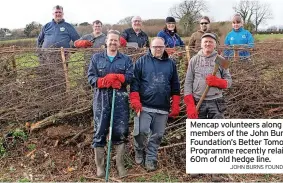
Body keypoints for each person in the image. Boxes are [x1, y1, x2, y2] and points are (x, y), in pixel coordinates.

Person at [184, 33, 232, 181]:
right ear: (201, 44)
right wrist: (190, 105)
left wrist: (219, 82)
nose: (207, 44)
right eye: (205, 42)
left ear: (215, 44)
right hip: (199, 101)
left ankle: (215, 171)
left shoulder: (222, 61)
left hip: (216, 102)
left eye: (210, 42)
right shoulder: (194, 60)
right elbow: (188, 83)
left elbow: (229, 81)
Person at [129, 37, 181, 171]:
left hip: (162, 107)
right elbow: (135, 83)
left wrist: (175, 103)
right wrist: (135, 99)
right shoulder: (141, 62)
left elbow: (175, 85)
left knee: (157, 135)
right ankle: (139, 149)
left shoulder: (170, 64)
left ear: (164, 47)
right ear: (150, 47)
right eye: (155, 47)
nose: (158, 49)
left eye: (160, 47)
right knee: (140, 131)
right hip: (145, 105)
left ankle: (151, 158)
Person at [87, 30, 134, 178]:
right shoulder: (96, 58)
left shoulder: (125, 59)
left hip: (120, 99)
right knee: (100, 130)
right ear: (106, 41)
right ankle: (100, 166)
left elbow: (130, 77)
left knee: (120, 131)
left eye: (116, 40)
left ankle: (119, 164)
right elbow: (91, 77)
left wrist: (119, 77)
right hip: (101, 99)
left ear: (119, 43)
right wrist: (103, 81)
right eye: (111, 40)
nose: (113, 43)